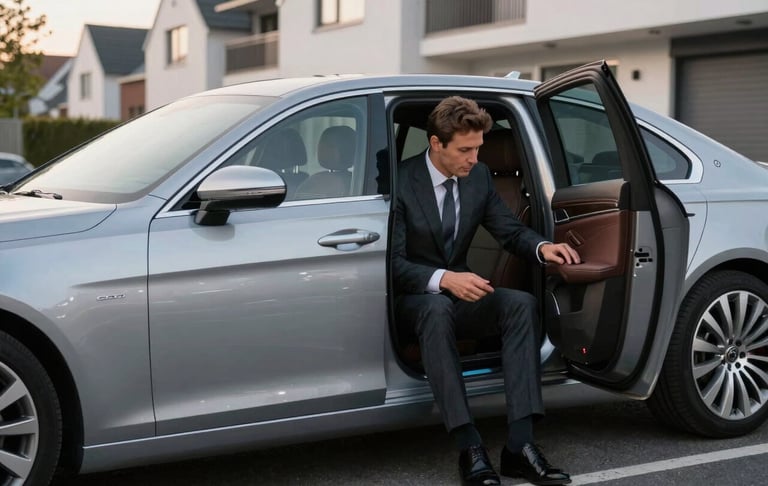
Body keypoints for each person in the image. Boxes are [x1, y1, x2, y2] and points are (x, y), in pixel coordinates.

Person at [392, 96, 580, 486]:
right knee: (435, 310)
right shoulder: (401, 182)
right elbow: (391, 265)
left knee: (520, 304)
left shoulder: (477, 177)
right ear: (435, 143)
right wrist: (443, 279)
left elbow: (508, 230)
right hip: (412, 301)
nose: (475, 158)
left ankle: (520, 447)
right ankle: (469, 446)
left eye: (478, 147)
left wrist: (542, 247)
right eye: (465, 149)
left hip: (459, 297)